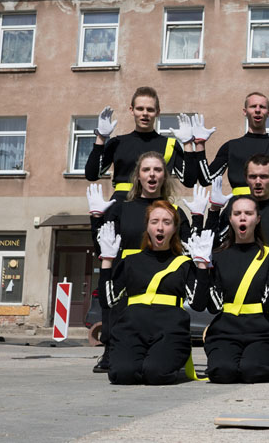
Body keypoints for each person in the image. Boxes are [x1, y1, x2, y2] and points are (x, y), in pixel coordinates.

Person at [87, 151, 204, 373]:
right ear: (138, 176)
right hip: (128, 273)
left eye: (157, 170)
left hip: (162, 273)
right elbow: (101, 245)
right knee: (118, 318)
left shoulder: (175, 212)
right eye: (146, 170)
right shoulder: (120, 209)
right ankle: (111, 351)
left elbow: (193, 247)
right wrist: (95, 219)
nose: (152, 175)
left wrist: (199, 217)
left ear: (164, 176)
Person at [96, 201, 211, 385]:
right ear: (147, 226)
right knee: (122, 374)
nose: (160, 227)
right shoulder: (130, 261)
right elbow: (108, 300)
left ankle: (161, 361)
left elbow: (198, 303)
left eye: (167, 222)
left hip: (169, 330)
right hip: (132, 328)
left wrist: (202, 266)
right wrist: (107, 261)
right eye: (155, 221)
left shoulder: (183, 263)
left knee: (156, 374)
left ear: (174, 228)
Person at [191, 196, 269, 383]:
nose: (243, 217)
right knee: (222, 373)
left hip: (262, 332)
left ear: (258, 219)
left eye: (248, 213)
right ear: (230, 219)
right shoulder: (217, 256)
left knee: (252, 372)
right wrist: (202, 268)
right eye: (237, 213)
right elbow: (211, 307)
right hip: (226, 331)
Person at [85, 86, 206, 199]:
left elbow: (189, 181)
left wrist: (187, 143)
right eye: (140, 109)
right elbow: (92, 175)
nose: (145, 113)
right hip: (122, 206)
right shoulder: (117, 142)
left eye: (150, 109)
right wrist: (101, 137)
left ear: (157, 112)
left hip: (156, 209)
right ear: (132, 110)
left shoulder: (170, 144)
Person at [195, 92, 269, 193]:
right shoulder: (230, 147)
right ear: (245, 111)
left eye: (262, 107)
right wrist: (200, 145)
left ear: (268, 113)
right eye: (253, 106)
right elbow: (206, 179)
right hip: (239, 212)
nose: (258, 110)